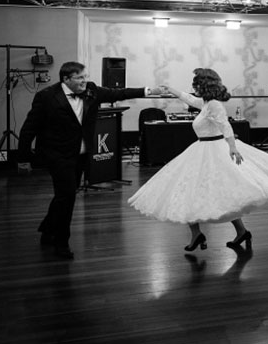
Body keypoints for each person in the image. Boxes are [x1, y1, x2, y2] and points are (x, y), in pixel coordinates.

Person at [128, 68, 268, 252]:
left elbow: (225, 125)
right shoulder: (206, 102)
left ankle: (236, 232)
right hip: (201, 150)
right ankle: (202, 234)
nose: (194, 86)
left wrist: (233, 147)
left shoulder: (215, 105)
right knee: (191, 190)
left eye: (196, 83)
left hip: (215, 150)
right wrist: (170, 89)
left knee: (221, 194)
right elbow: (189, 98)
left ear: (204, 85)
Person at [17, 61, 161, 259]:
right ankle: (61, 243)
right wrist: (23, 157)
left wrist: (148, 90)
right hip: (57, 154)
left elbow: (118, 93)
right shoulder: (46, 96)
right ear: (66, 79)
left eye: (85, 76)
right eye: (80, 78)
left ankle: (47, 227)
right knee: (67, 195)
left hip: (81, 153)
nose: (85, 81)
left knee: (65, 194)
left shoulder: (92, 90)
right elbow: (29, 127)